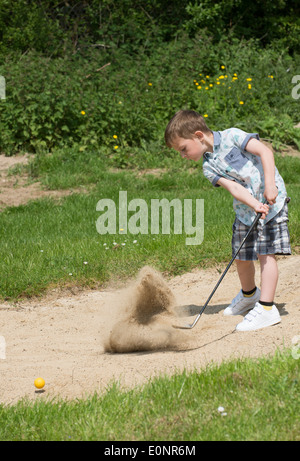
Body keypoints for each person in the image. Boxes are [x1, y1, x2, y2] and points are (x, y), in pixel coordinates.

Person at [165, 109, 291, 331]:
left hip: (272, 203)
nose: (183, 156)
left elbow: (265, 152)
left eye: (183, 149)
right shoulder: (208, 167)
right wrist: (253, 204)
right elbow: (234, 187)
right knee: (241, 257)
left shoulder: (233, 136)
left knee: (265, 254)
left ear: (198, 135)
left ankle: (267, 309)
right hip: (246, 210)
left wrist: (270, 184)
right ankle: (250, 295)